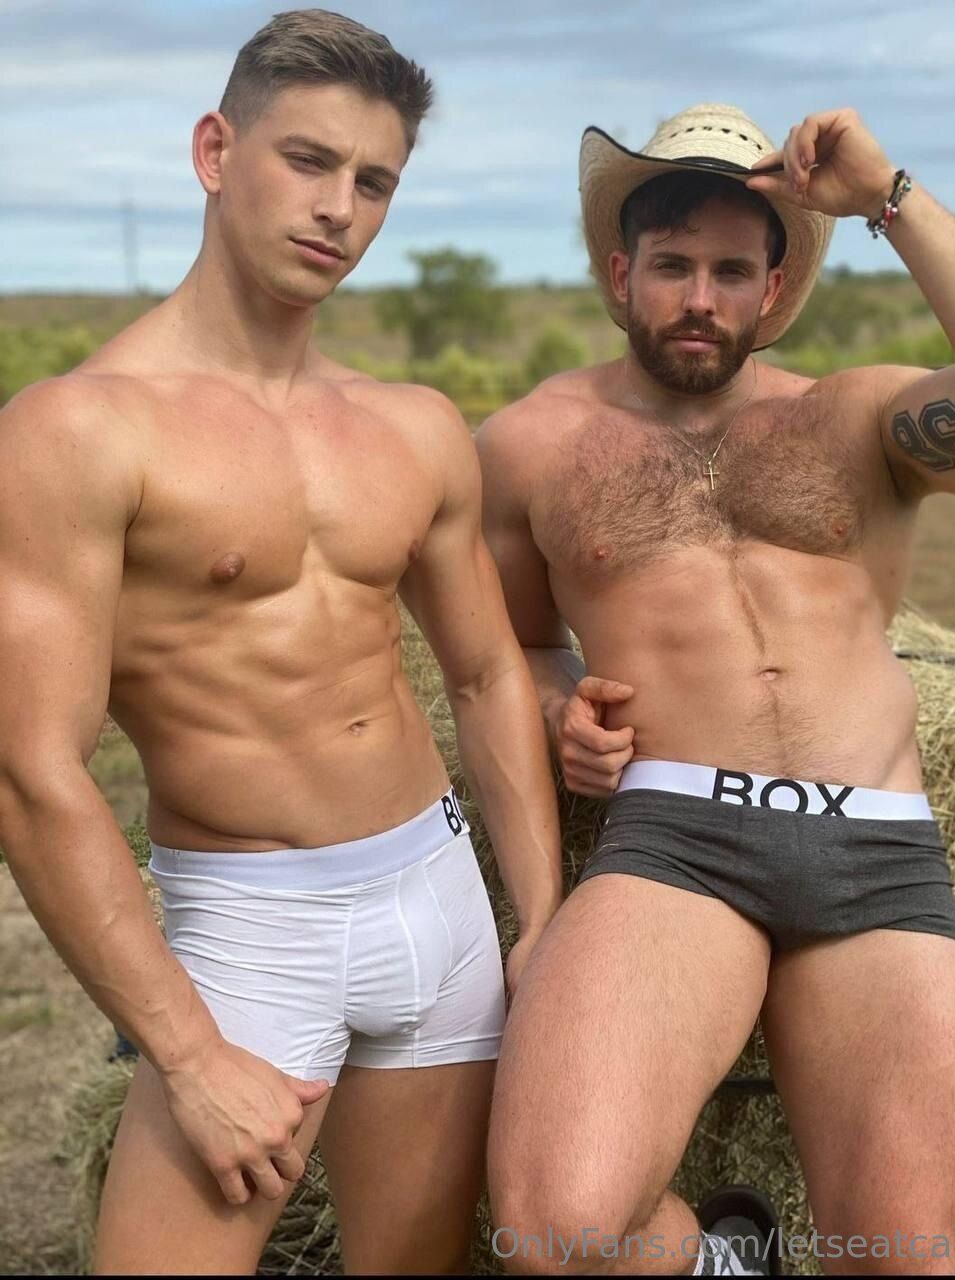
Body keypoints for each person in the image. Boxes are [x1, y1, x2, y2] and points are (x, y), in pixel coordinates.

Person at [0, 10, 563, 1275]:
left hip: (438, 907)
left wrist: (538, 915)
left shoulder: (414, 425)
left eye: (375, 182)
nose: (339, 210)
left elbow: (485, 674)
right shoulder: (77, 431)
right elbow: (33, 771)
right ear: (216, 150)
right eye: (308, 160)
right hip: (251, 932)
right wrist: (190, 1054)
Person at [477, 101, 955, 1276]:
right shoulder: (528, 445)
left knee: (903, 1257)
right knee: (553, 1231)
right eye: (673, 265)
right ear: (621, 272)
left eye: (733, 271)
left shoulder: (854, 417)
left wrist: (889, 197)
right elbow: (519, 650)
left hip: (879, 852)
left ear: (774, 287)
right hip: (676, 843)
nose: (701, 297)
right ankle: (724, 1261)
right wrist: (558, 710)